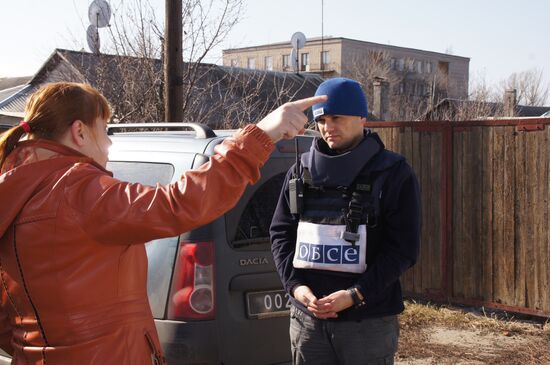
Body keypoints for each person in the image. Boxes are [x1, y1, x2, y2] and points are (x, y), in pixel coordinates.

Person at [0, 81, 326, 365]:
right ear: (79, 131)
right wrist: (261, 135)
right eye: (104, 129)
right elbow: (178, 204)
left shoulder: (14, 189)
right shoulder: (79, 190)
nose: (110, 143)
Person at [270, 77, 421, 365]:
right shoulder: (300, 172)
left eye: (337, 117)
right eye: (322, 120)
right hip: (307, 320)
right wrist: (296, 288)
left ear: (362, 117)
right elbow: (280, 233)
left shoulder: (394, 173)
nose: (328, 127)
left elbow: (403, 250)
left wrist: (355, 294)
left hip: (367, 322)